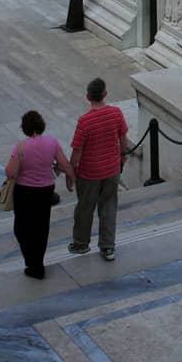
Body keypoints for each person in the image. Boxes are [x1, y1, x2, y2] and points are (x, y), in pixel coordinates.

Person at [5, 110, 74, 279]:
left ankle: (32, 263)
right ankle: (38, 263)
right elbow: (65, 165)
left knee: (21, 228)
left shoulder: (20, 147)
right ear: (42, 125)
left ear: (25, 128)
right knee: (41, 227)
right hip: (45, 191)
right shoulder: (52, 142)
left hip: (24, 192)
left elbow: (10, 173)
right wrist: (69, 179)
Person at [69, 78, 128, 262]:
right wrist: (122, 157)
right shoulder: (116, 113)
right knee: (109, 208)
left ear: (88, 97)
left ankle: (81, 244)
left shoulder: (84, 122)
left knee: (85, 209)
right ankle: (108, 247)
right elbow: (123, 138)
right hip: (111, 170)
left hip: (89, 173)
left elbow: (77, 150)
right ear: (105, 94)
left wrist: (71, 172)